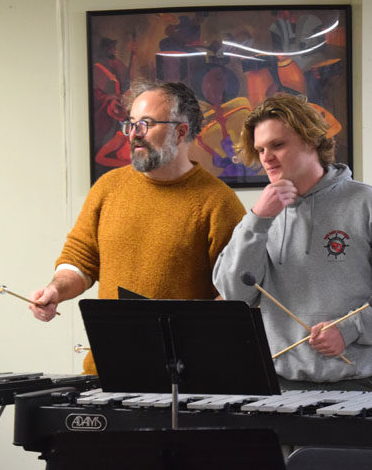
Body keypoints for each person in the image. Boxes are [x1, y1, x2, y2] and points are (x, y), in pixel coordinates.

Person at [213, 94, 372, 392]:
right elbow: (234, 295)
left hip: (360, 387)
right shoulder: (260, 216)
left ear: (311, 140)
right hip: (277, 387)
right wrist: (257, 221)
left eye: (278, 145)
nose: (266, 157)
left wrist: (351, 329)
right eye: (261, 149)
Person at [30, 80, 246, 375]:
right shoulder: (108, 187)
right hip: (105, 370)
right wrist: (56, 290)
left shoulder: (219, 202)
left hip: (184, 378)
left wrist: (187, 339)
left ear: (180, 131)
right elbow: (80, 261)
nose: (134, 135)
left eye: (145, 124)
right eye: (130, 124)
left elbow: (234, 292)